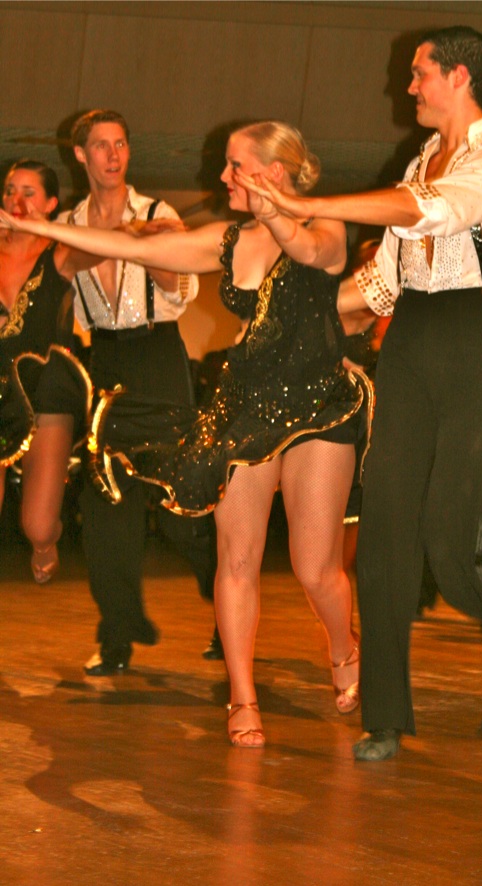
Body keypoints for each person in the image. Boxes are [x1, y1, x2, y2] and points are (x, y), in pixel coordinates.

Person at [237, 25, 482, 761]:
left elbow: (432, 211)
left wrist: (312, 203)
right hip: (410, 339)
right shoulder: (418, 161)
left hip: (478, 337)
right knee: (381, 531)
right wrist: (302, 316)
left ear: (460, 76)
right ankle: (383, 715)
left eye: (419, 73)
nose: (407, 85)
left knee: (453, 545)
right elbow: (383, 281)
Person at [1, 119, 371, 748]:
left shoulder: (326, 225)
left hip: (317, 407)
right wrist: (42, 229)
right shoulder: (230, 240)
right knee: (237, 559)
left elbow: (311, 253)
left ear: (272, 171)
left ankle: (343, 643)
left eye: (234, 166)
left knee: (315, 569)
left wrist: (277, 210)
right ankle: (242, 697)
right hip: (244, 409)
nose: (221, 176)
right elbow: (128, 247)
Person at [61, 110, 217, 676]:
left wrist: (148, 249)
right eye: (102, 145)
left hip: (157, 355)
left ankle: (226, 599)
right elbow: (64, 263)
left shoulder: (158, 214)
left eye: (121, 143)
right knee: (105, 503)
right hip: (105, 360)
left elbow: (180, 287)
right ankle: (118, 632)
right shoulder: (70, 222)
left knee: (182, 506)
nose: (113, 155)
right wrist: (121, 239)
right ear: (81, 155)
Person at [0, 159, 91, 583]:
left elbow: (111, 246)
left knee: (36, 524)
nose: (16, 201)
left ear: (51, 204)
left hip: (47, 388)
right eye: (9, 191)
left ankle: (45, 540)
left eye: (28, 192)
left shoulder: (60, 253)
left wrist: (55, 230)